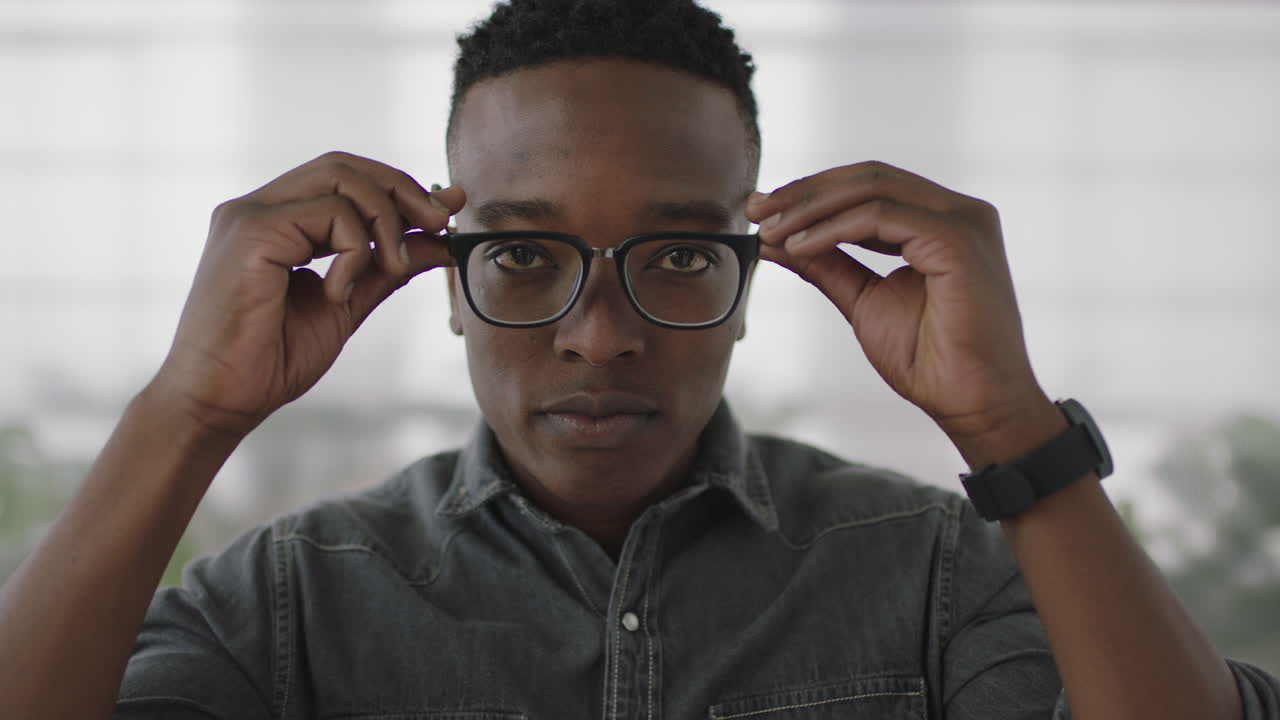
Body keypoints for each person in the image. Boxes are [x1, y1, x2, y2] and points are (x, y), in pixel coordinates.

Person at [1, 1, 1277, 718]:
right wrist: (187, 410)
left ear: (744, 285)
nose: (598, 336)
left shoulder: (931, 573)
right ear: (443, 285)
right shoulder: (289, 603)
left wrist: (1007, 424)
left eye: (673, 258)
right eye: (521, 257)